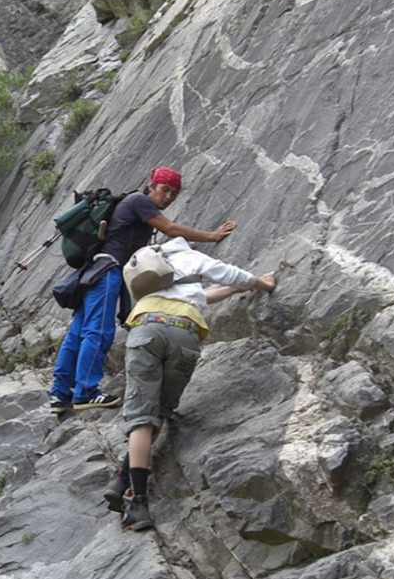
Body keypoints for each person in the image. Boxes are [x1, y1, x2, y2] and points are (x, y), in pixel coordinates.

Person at [103, 240, 277, 530]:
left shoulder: (147, 266)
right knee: (158, 411)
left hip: (147, 328)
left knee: (140, 418)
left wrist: (236, 289)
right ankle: (124, 479)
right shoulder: (191, 257)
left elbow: (200, 295)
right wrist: (261, 283)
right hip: (183, 332)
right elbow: (229, 275)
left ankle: (133, 494)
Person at [48, 166, 237, 412]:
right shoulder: (139, 201)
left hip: (95, 272)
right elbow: (172, 229)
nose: (168, 197)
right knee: (98, 331)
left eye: (173, 193)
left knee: (77, 333)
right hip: (107, 272)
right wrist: (212, 236)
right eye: (164, 190)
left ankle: (60, 395)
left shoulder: (134, 205)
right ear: (152, 186)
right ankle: (85, 392)